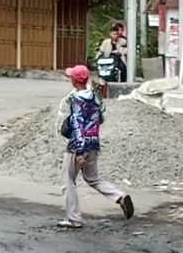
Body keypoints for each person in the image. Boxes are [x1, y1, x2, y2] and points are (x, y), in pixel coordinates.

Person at [56, 65, 133, 228]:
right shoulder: (95, 97)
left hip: (78, 146)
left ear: (74, 81)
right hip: (94, 143)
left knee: (68, 181)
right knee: (93, 178)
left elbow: (77, 126)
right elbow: (100, 120)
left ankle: (73, 219)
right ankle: (120, 197)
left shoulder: (76, 100)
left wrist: (78, 152)